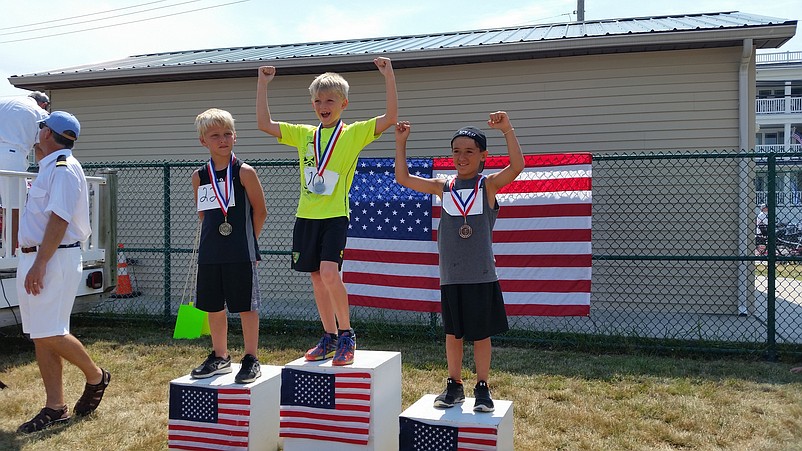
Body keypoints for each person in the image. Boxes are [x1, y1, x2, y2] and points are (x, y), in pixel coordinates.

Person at [256, 57, 397, 366]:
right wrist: (263, 84)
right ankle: (329, 336)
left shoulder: (354, 133)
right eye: (318, 100)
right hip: (306, 216)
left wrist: (388, 76)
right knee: (317, 278)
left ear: (343, 103)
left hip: (335, 216)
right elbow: (264, 125)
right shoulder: (305, 134)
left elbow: (390, 117)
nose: (323, 105)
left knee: (331, 273)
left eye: (330, 100)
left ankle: (347, 334)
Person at [394, 112, 524, 412]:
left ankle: (483, 386)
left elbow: (517, 166)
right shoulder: (444, 187)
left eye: (469, 151)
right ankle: (454, 385)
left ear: (482, 156)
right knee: (453, 334)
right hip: (451, 276)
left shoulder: (487, 185)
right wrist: (401, 143)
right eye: (456, 151)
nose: (461, 157)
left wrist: (507, 130)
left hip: (481, 275)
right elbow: (403, 178)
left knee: (480, 334)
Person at [16, 111, 111, 433]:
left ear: (46, 133)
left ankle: (96, 376)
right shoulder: (49, 168)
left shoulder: (64, 169)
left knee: (49, 332)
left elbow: (59, 220)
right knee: (40, 336)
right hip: (37, 258)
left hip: (53, 258)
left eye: (41, 127)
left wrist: (40, 264)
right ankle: (55, 406)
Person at [190, 108, 267, 384]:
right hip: (210, 252)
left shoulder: (244, 172)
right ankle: (220, 356)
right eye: (215, 136)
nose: (222, 140)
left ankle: (251, 358)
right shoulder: (199, 176)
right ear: (203, 141)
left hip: (240, 250)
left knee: (246, 305)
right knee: (213, 306)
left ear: (235, 137)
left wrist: (249, 240)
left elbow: (260, 211)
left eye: (227, 134)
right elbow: (204, 214)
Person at [0, 91, 50, 254]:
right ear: (43, 104)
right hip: (11, 157)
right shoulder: (40, 113)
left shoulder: (5, 101)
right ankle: (10, 254)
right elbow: (40, 148)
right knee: (13, 209)